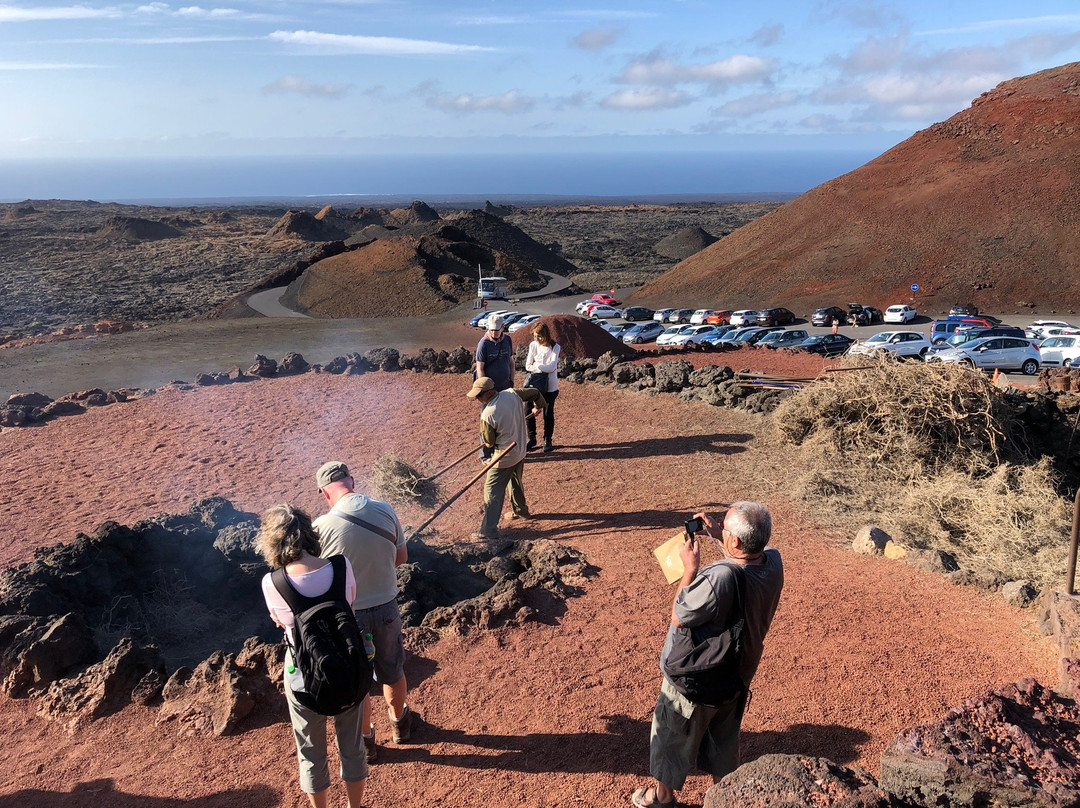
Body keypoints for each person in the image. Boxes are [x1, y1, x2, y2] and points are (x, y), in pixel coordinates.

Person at [631, 502, 784, 808]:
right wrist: (719, 535)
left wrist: (689, 570)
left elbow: (679, 613)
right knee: (724, 742)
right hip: (735, 677)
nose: (720, 528)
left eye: (725, 527)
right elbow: (745, 561)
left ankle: (662, 799)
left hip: (696, 681)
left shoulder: (719, 578)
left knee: (670, 737)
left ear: (736, 541)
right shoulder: (774, 564)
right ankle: (728, 799)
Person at [258, 504, 367, 808]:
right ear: (309, 531)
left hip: (303, 677)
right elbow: (351, 603)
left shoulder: (272, 583)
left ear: (273, 541)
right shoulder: (341, 566)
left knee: (310, 753)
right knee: (353, 747)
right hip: (348, 666)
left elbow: (280, 622)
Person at [313, 461, 411, 763]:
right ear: (351, 481)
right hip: (386, 607)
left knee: (359, 681)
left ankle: (367, 741)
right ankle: (400, 726)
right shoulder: (384, 509)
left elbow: (319, 580)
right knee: (392, 670)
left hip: (348, 616)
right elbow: (402, 558)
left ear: (324, 493)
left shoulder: (319, 528)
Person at [467, 376, 546, 539]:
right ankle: (521, 511)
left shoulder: (487, 413)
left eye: (479, 395)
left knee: (492, 491)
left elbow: (489, 443)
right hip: (520, 450)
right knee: (515, 480)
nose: (477, 399)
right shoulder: (512, 393)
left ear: (488, 393)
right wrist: (538, 407)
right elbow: (535, 393)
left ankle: (489, 530)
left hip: (504, 457)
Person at [524, 321, 561, 453]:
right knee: (528, 410)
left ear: (546, 335)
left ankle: (548, 439)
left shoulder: (555, 347)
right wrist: (540, 368)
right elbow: (528, 365)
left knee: (548, 413)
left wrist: (538, 366)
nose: (537, 339)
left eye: (539, 336)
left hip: (550, 387)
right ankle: (532, 438)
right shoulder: (533, 345)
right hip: (535, 385)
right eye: (535, 336)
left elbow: (552, 367)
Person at [475, 315, 515, 391]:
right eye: (491, 330)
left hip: (506, 385)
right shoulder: (483, 343)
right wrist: (485, 388)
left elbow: (511, 362)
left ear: (502, 327)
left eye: (496, 330)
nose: (493, 333)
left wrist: (512, 381)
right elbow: (480, 368)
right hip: (491, 388)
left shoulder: (507, 340)